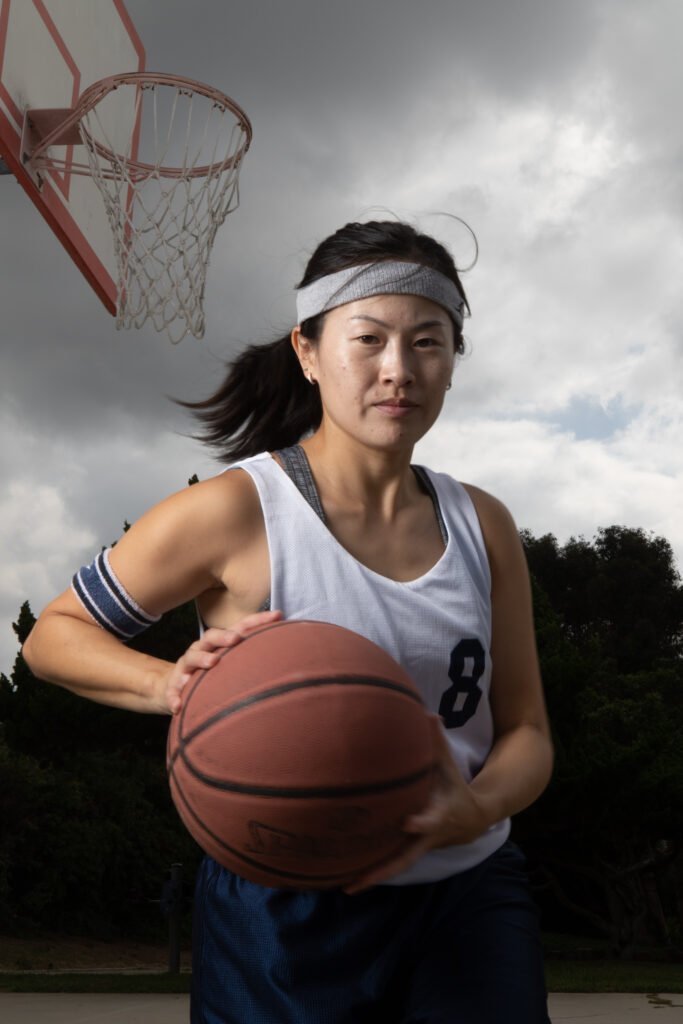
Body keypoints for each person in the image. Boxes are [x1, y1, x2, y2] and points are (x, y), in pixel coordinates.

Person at [23, 219, 554, 1023]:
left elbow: (526, 734)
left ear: (453, 360)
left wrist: (474, 811)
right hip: (283, 904)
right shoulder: (236, 510)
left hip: (466, 895)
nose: (396, 370)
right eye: (367, 339)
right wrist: (172, 685)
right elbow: (53, 636)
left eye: (427, 343)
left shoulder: (483, 524)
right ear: (307, 352)